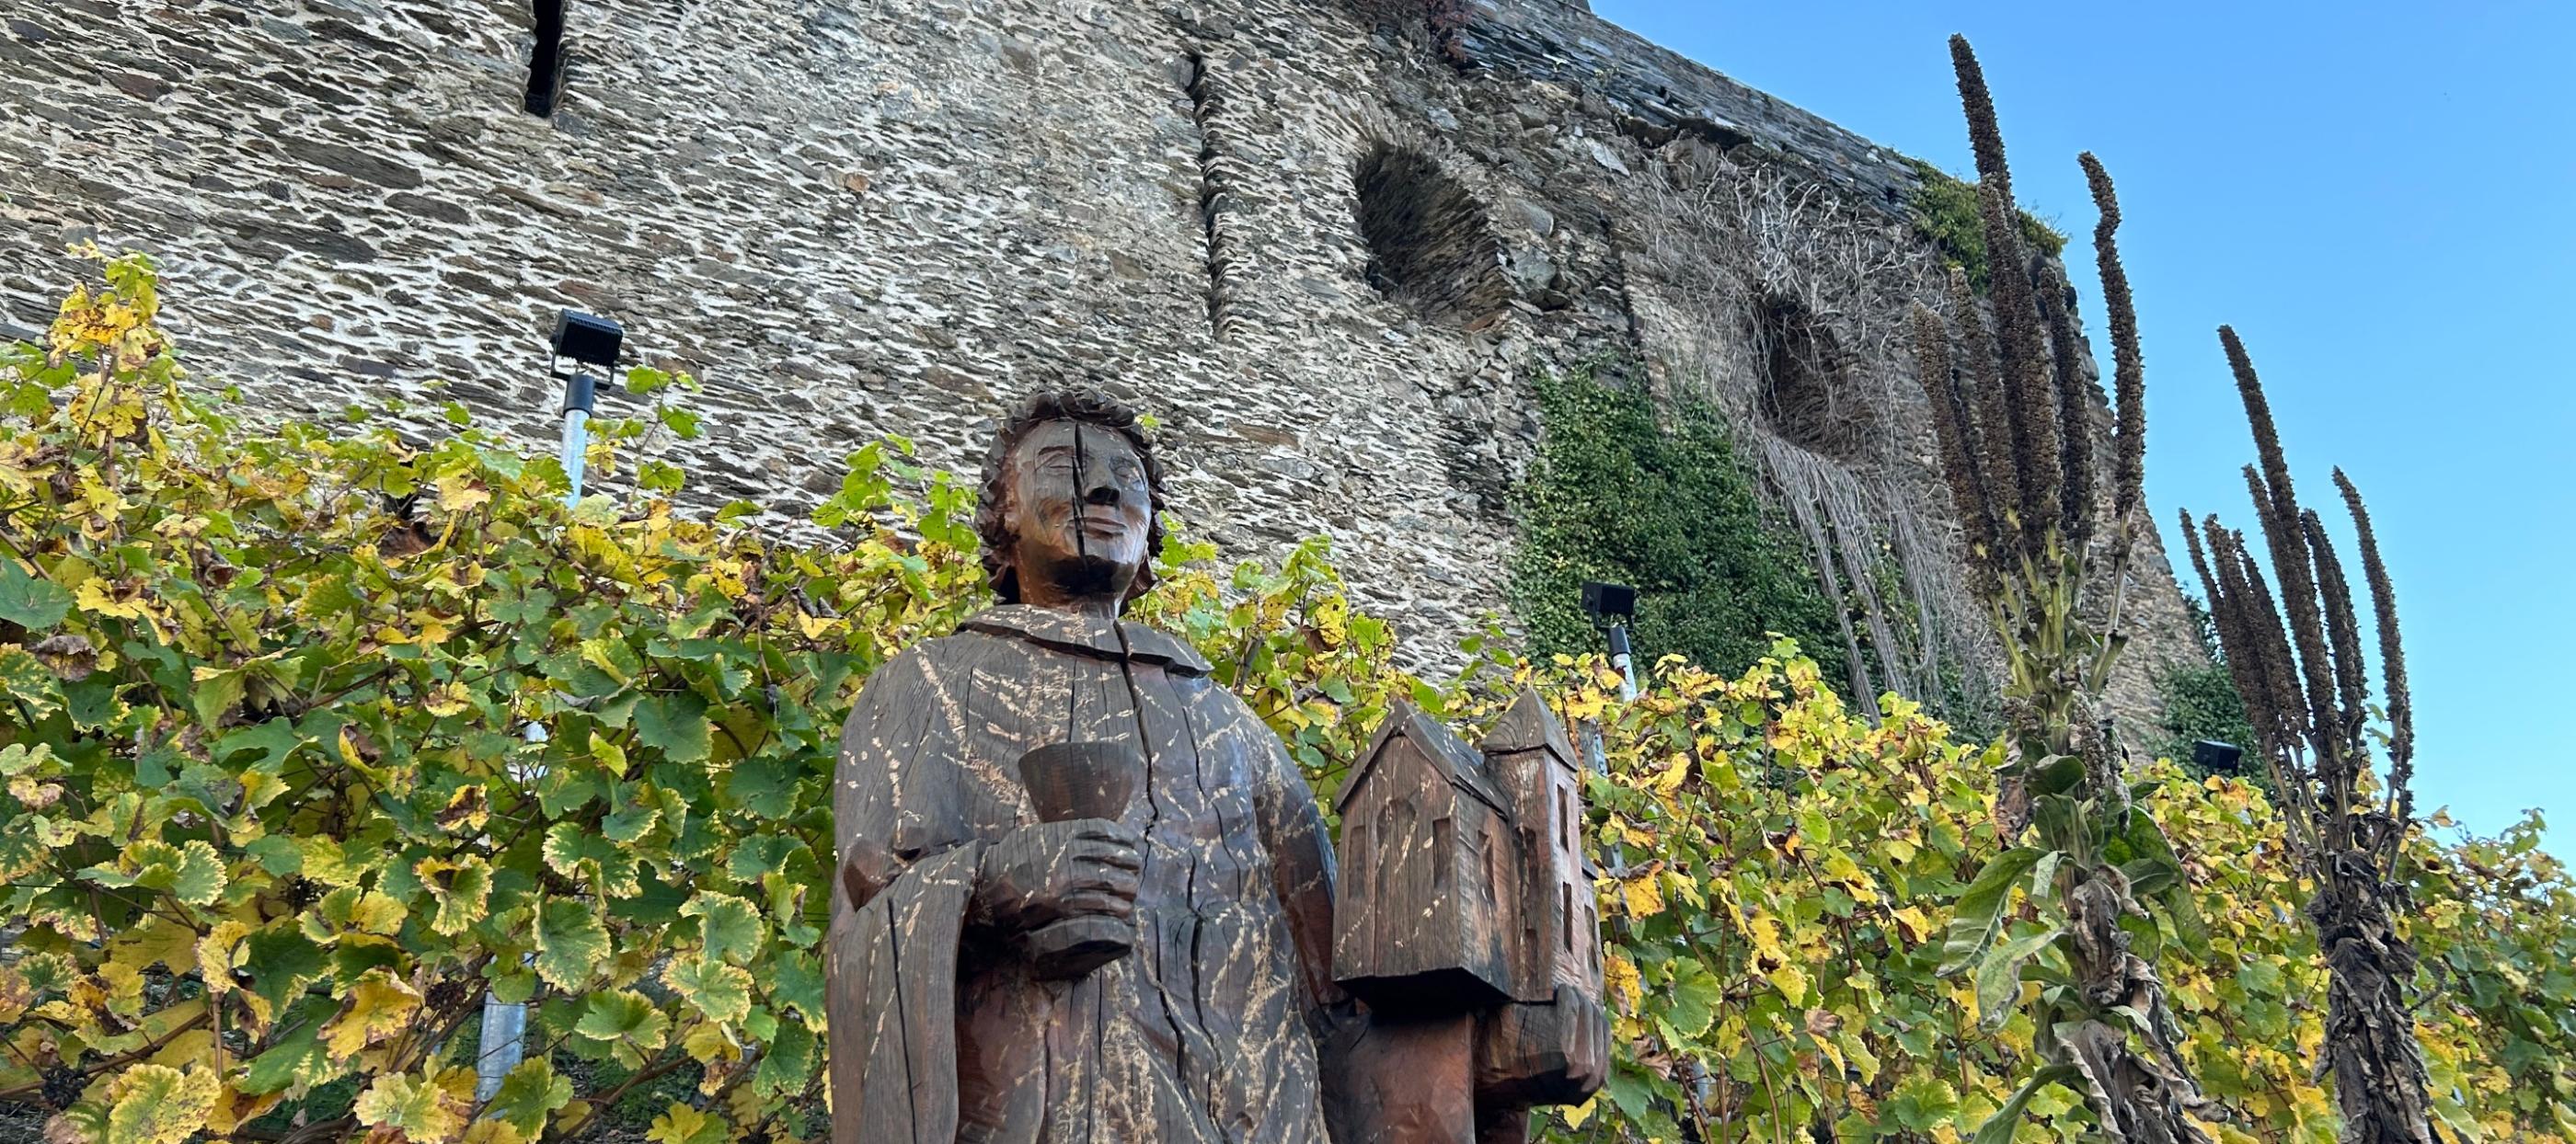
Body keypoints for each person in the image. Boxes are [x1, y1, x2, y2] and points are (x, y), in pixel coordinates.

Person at [827, 388, 1358, 1144]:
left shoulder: (1231, 726)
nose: (1105, 488)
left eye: (1128, 478)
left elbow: (1339, 982)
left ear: (1150, 539)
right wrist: (990, 884)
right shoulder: (929, 684)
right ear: (1005, 514)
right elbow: (867, 912)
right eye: (1063, 467)